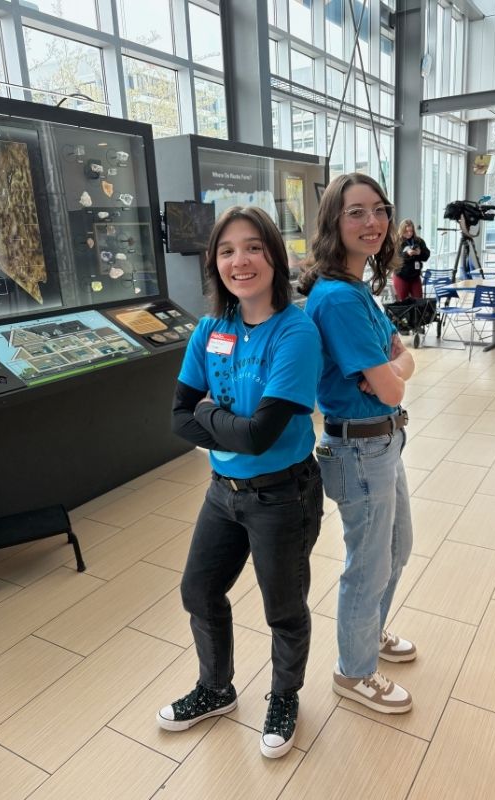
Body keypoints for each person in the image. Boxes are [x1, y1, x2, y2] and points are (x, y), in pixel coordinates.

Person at [157, 206, 323, 759]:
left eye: (253, 247)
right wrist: (220, 422)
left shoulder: (296, 332)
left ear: (274, 255)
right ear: (215, 264)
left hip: (283, 495)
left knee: (283, 607)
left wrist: (209, 413)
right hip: (222, 492)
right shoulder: (210, 330)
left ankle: (284, 696)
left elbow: (260, 436)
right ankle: (216, 688)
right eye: (227, 251)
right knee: (199, 591)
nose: (240, 261)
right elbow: (178, 418)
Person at [299, 173, 416, 715]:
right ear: (334, 222)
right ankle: (354, 669)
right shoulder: (338, 299)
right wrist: (392, 372)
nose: (373, 222)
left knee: (396, 549)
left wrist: (394, 368)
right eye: (356, 212)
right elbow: (392, 385)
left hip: (383, 442)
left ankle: (367, 635)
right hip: (359, 450)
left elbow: (403, 358)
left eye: (379, 209)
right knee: (368, 565)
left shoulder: (358, 288)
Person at [393, 218, 430, 300]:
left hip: (415, 276)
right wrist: (407, 254)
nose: (409, 233)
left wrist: (420, 253)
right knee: (403, 302)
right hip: (401, 275)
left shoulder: (419, 241)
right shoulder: (397, 242)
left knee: (418, 301)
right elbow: (394, 258)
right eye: (406, 231)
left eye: (411, 231)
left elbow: (426, 256)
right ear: (402, 231)